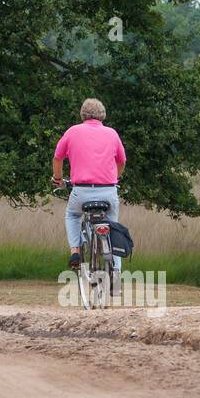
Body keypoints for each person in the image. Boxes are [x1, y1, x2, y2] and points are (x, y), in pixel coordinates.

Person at [51, 98, 126, 278]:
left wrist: (58, 178)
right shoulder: (112, 133)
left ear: (82, 114)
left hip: (81, 192)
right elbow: (122, 161)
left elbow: (58, 158)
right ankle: (115, 273)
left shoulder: (72, 132)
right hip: (108, 191)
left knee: (72, 215)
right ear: (102, 115)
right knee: (113, 228)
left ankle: (75, 251)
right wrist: (114, 178)